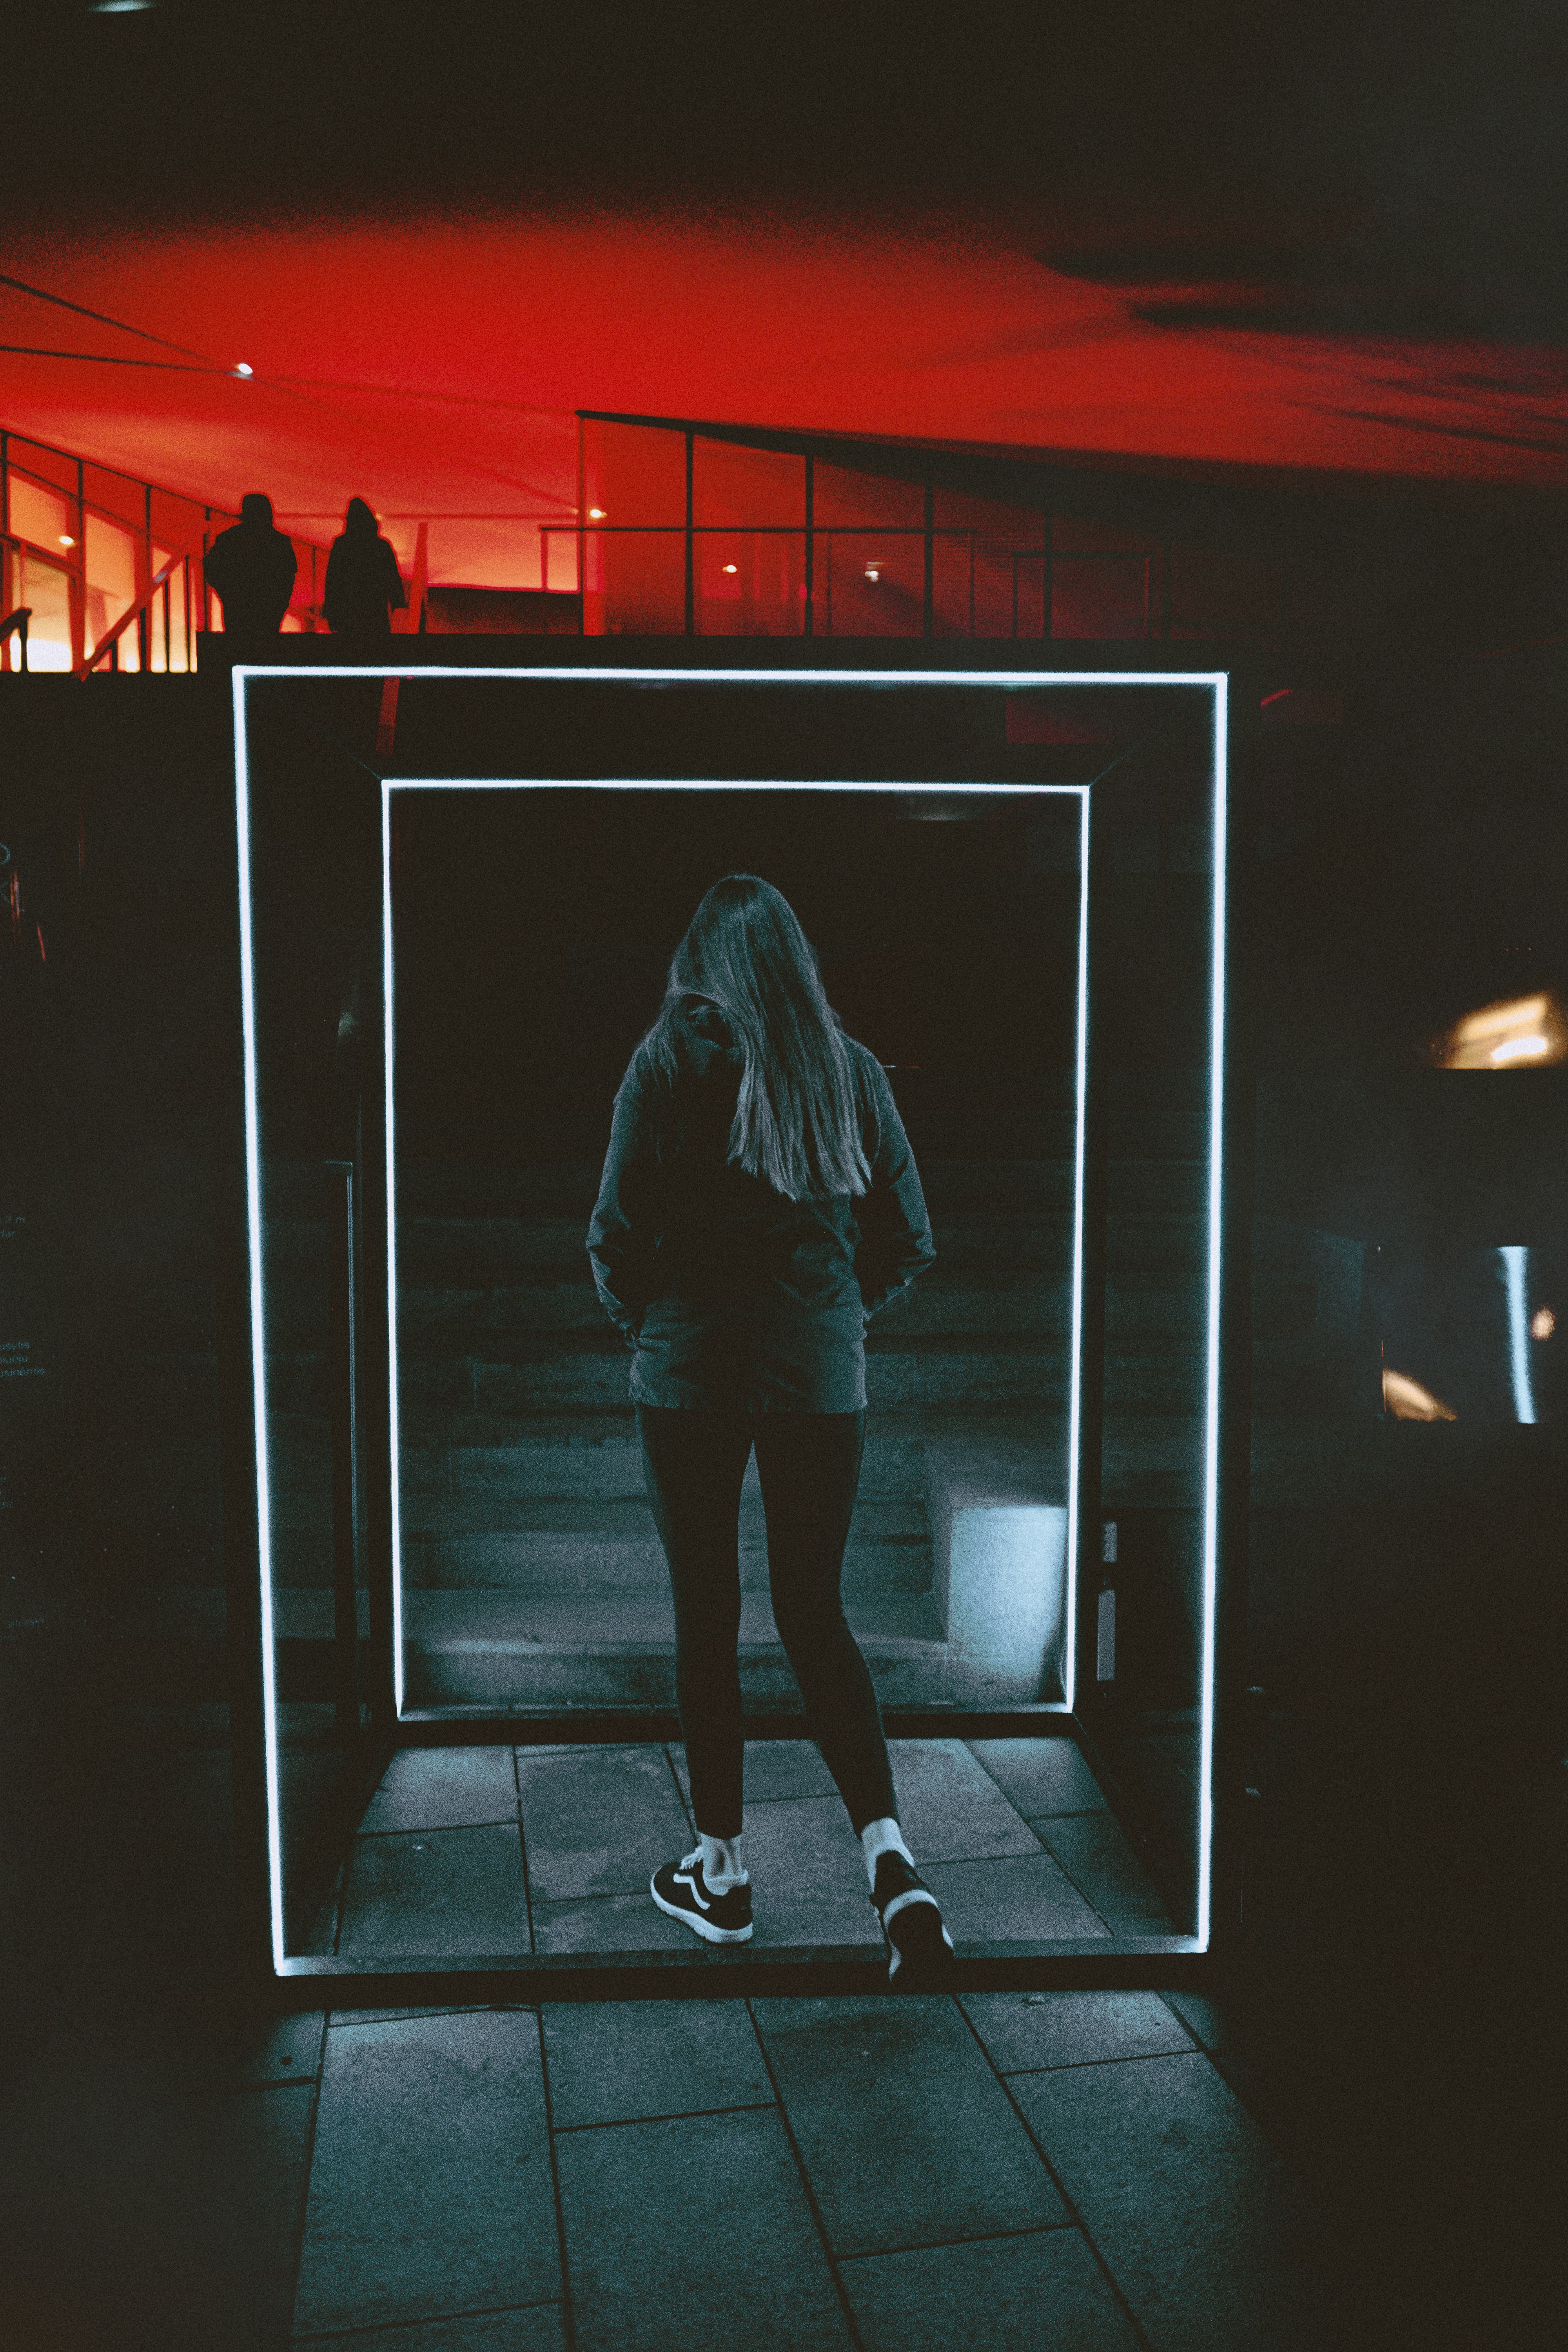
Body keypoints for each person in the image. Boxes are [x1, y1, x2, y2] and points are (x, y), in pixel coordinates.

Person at [586, 873, 953, 1987]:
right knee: (815, 1612)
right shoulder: (846, 1071)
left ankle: (722, 1875)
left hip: (690, 1378)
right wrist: (840, 1319)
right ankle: (892, 1865)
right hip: (814, 1382)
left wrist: (645, 1319)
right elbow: (909, 1236)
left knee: (709, 1611)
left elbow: (614, 1233)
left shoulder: (661, 1066)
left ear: (700, 964)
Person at [203, 493, 297, 634]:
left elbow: (212, 568)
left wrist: (229, 595)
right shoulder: (280, 543)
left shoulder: (228, 539)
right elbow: (287, 578)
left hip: (238, 611)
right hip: (268, 613)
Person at [323, 497, 407, 641]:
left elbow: (333, 581)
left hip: (348, 614)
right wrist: (398, 604)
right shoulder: (382, 546)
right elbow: (393, 579)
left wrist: (331, 612)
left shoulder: (341, 545)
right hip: (375, 612)